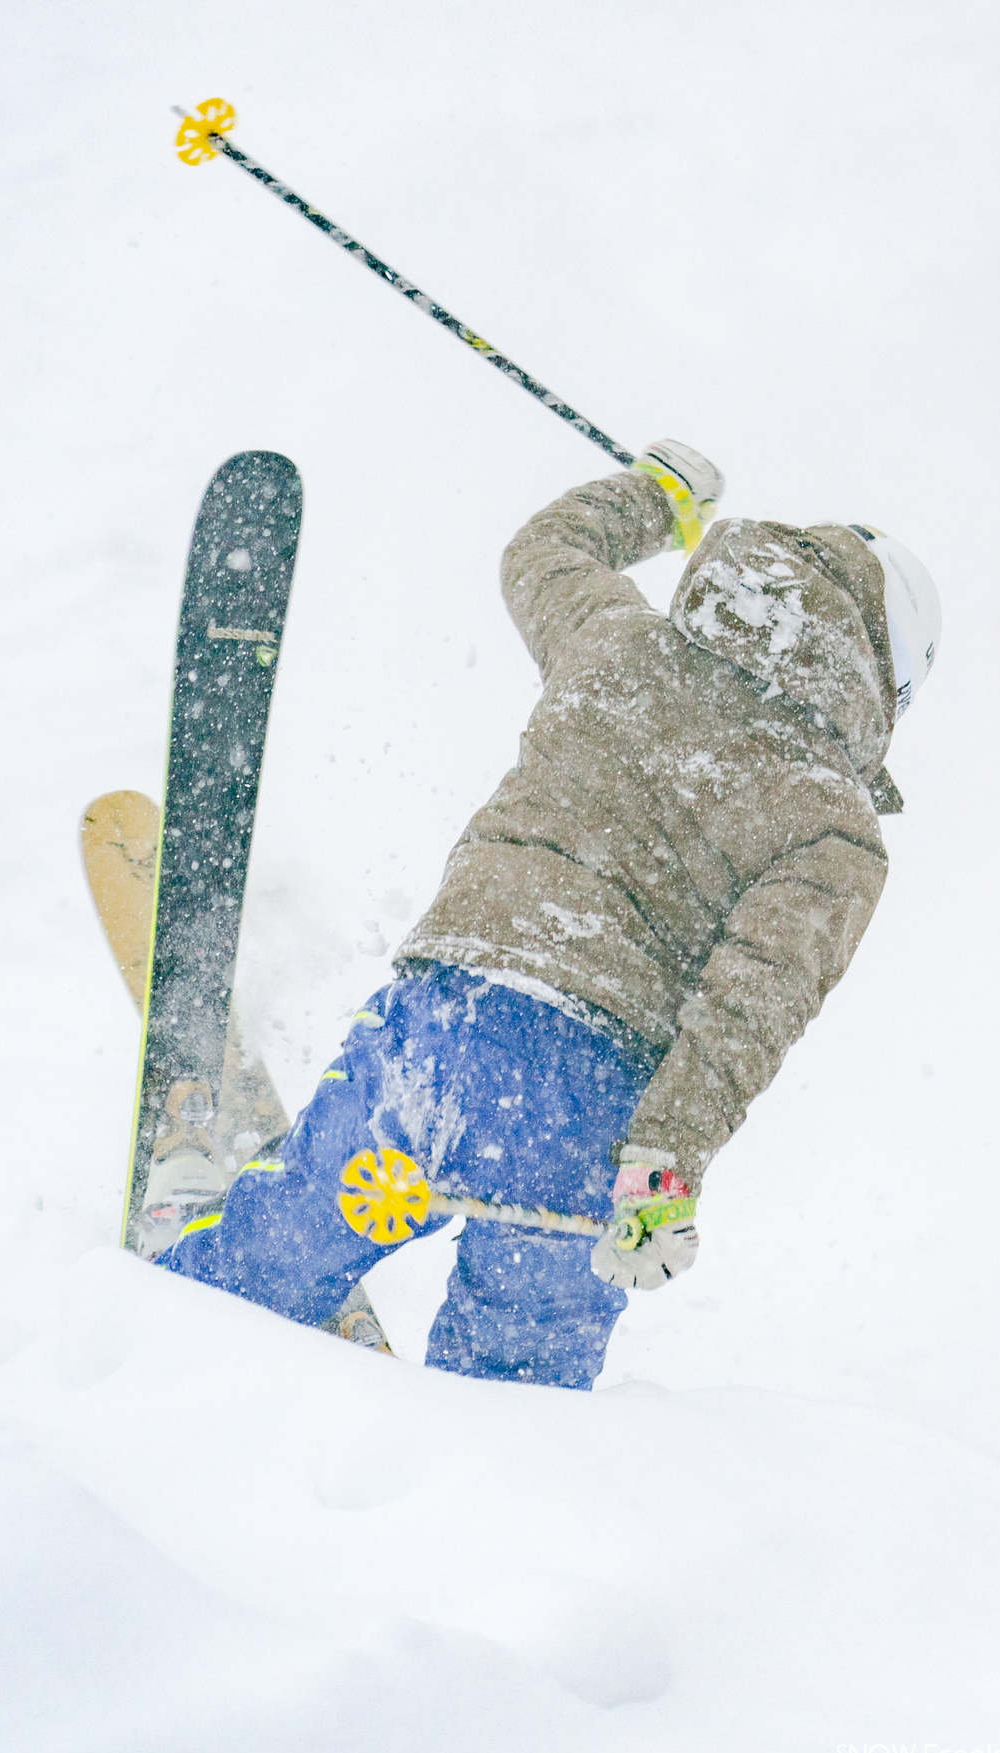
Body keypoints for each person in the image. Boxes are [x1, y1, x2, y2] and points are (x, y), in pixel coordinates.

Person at [158, 443, 941, 1389]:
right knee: (512, 1395)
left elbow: (544, 547)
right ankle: (449, 1503)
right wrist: (663, 1172)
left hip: (444, 1029)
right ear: (884, 683)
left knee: (282, 1247)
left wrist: (659, 499)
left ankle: (171, 1329)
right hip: (588, 1118)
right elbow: (746, 1016)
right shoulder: (833, 824)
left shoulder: (618, 638)